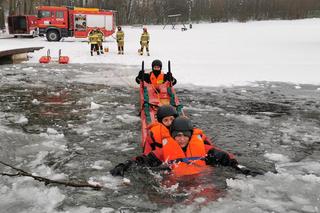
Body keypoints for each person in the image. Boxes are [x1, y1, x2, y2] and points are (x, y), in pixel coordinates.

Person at [110, 116, 238, 177]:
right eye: (178, 135)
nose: (182, 139)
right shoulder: (163, 152)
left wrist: (240, 168)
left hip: (202, 183)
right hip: (175, 187)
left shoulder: (205, 150)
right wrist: (123, 166)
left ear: (190, 135)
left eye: (185, 135)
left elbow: (227, 158)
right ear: (172, 136)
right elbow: (140, 160)